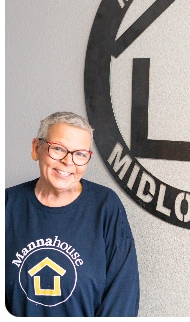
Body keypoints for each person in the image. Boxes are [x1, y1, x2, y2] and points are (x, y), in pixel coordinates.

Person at [5, 111, 140, 316]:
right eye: (58, 149)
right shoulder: (7, 205)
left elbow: (122, 296)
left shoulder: (105, 206)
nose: (69, 162)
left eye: (80, 154)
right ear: (36, 148)